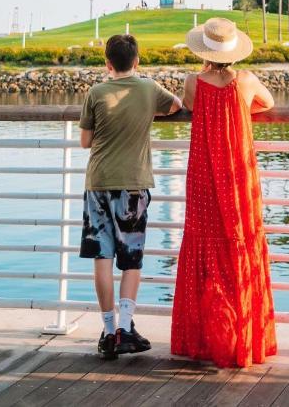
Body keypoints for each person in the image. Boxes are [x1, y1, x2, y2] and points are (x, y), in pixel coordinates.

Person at [171, 17, 277, 368]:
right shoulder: (245, 81)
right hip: (238, 174)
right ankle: (244, 337)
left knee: (206, 245)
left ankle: (205, 339)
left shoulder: (192, 82)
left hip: (203, 173)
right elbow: (269, 103)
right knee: (239, 243)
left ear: (204, 51)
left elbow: (188, 106)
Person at [79, 34, 182, 361]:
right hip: (133, 186)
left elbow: (85, 141)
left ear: (107, 63)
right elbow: (177, 105)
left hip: (97, 183)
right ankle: (126, 327)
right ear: (136, 61)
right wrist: (148, 114)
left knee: (102, 257)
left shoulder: (96, 92)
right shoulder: (149, 89)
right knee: (131, 256)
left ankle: (109, 332)